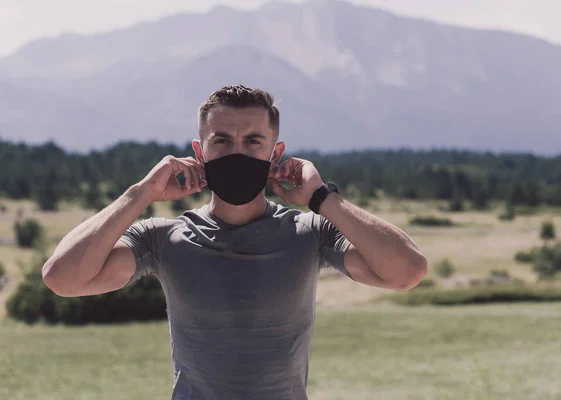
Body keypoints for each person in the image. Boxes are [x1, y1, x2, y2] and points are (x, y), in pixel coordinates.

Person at [42, 85, 427, 400]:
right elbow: (63, 278)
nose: (237, 152)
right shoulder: (161, 239)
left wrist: (323, 199)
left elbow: (407, 272)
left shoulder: (310, 233)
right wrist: (139, 195)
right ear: (199, 152)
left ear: (276, 154)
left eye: (253, 141)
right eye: (222, 141)